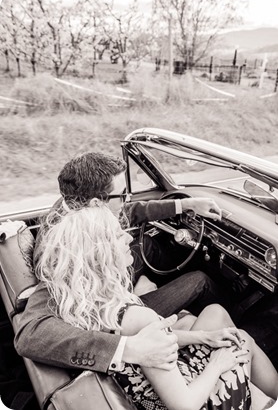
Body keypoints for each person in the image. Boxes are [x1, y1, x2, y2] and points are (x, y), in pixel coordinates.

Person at [35, 199, 278, 410]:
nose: (129, 237)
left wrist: (203, 338)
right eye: (119, 235)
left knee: (214, 314)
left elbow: (151, 341)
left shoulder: (83, 302)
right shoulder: (137, 317)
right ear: (103, 254)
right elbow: (184, 405)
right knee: (241, 338)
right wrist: (217, 364)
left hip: (144, 389)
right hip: (196, 400)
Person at [15, 152, 225, 373]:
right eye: (122, 195)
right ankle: (241, 317)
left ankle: (141, 286)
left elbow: (127, 212)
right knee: (199, 280)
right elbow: (29, 335)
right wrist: (125, 347)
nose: (127, 201)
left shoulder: (77, 206)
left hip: (105, 291)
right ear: (97, 203)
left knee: (147, 245)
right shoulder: (62, 252)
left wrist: (185, 205)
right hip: (112, 316)